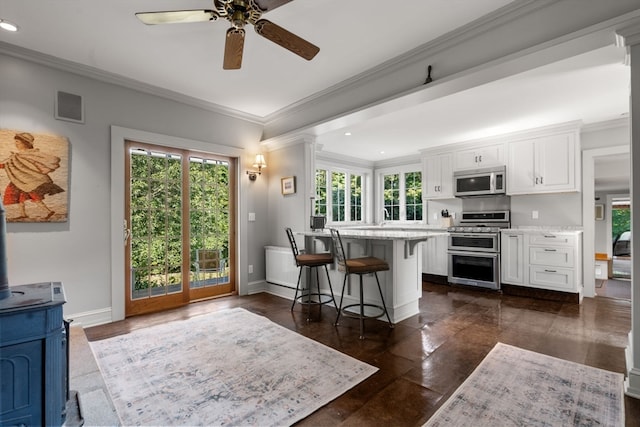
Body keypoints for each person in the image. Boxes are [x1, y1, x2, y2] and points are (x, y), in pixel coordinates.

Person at [0, 132, 64, 220]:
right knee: (19, 197)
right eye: (15, 142)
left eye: (17, 142)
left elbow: (44, 163)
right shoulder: (15, 156)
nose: (16, 144)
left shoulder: (32, 154)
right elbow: (8, 164)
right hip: (18, 179)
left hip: (29, 180)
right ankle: (23, 214)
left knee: (34, 196)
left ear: (25, 143)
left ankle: (48, 212)